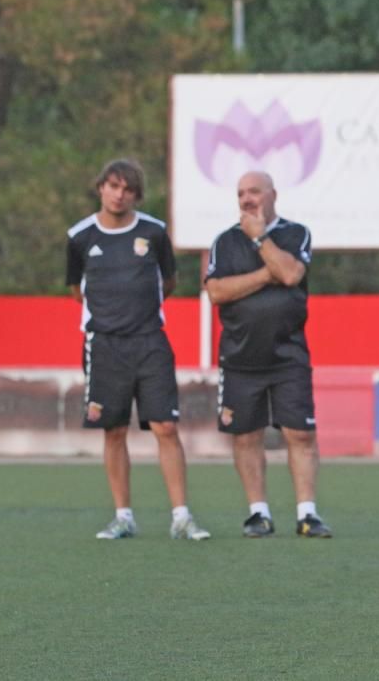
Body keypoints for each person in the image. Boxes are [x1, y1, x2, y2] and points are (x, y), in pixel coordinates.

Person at [66, 158, 210, 541]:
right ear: (101, 188)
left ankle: (181, 517)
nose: (119, 194)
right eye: (113, 186)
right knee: (113, 430)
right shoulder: (80, 236)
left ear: (136, 194)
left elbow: (170, 282)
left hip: (150, 342)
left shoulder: (154, 232)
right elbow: (75, 288)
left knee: (165, 426)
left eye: (128, 189)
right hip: (104, 345)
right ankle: (123, 516)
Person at [204, 171, 332, 539]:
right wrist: (266, 274)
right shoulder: (224, 242)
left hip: (288, 354)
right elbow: (216, 291)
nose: (247, 199)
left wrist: (260, 238)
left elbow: (291, 274)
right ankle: (257, 513)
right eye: (241, 192)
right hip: (240, 357)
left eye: (254, 192)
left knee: (300, 434)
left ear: (272, 195)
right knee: (245, 436)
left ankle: (307, 513)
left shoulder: (296, 233)